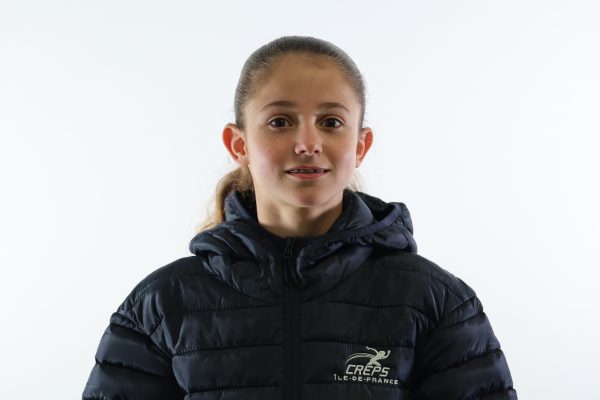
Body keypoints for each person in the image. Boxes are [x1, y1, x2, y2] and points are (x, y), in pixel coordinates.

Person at [82, 35, 517, 399]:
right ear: (239, 145)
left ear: (360, 146)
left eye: (330, 122)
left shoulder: (435, 302)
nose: (308, 143)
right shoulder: (161, 306)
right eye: (280, 122)